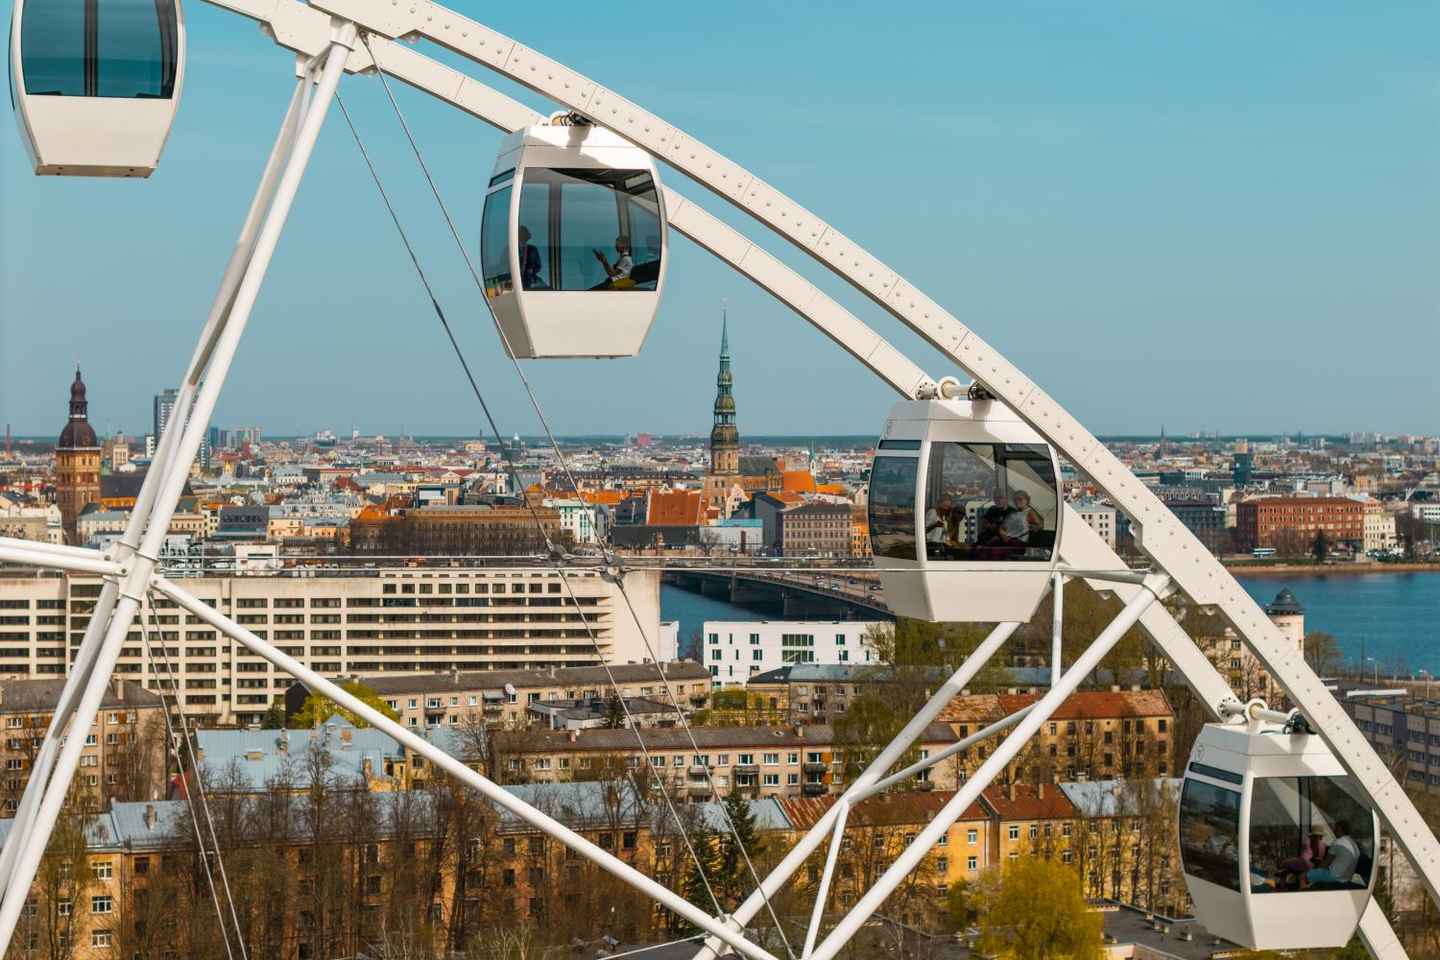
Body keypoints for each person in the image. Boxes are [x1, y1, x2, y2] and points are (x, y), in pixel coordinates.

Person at [1306, 821, 1360, 887]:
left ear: (1339, 829)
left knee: (1302, 877)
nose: (1333, 831)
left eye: (1335, 828)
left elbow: (1325, 864)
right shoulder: (1354, 844)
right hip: (1347, 878)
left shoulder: (1337, 842)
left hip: (1333, 877)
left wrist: (1315, 871)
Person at [517, 225, 544, 290]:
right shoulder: (533, 249)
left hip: (526, 281)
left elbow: (538, 266)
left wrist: (531, 271)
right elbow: (538, 266)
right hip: (526, 281)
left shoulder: (532, 250)